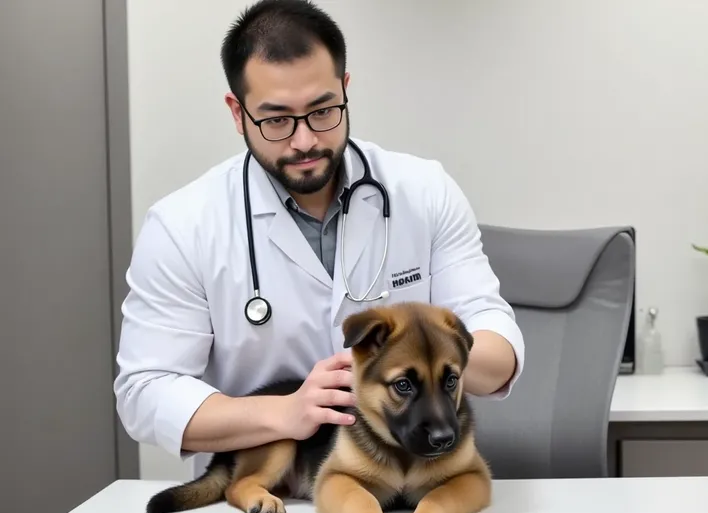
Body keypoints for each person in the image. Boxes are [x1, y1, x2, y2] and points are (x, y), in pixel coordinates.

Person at [114, 0, 525, 478]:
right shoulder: (183, 225)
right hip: (266, 499)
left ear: (345, 89)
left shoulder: (424, 191)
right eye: (277, 120)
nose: (305, 140)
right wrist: (285, 413)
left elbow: (497, 341)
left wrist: (422, 365)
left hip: (409, 497)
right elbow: (144, 393)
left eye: (322, 110)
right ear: (237, 111)